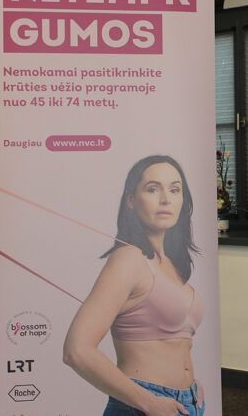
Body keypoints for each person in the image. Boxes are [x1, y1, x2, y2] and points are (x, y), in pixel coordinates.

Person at [64, 155, 205, 416]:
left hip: (188, 403)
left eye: (175, 190)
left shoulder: (171, 263)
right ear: (130, 200)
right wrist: (150, 402)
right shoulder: (128, 259)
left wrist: (191, 389)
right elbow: (77, 350)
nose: (166, 199)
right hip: (145, 405)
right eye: (153, 189)